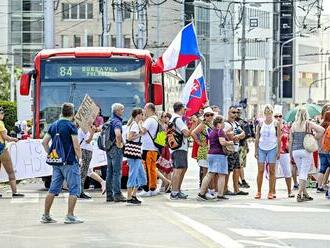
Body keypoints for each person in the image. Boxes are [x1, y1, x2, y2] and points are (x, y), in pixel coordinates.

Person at [41, 103, 83, 224]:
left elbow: (44, 142)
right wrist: (80, 159)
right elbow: (76, 145)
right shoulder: (71, 126)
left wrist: (51, 153)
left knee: (53, 189)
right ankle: (70, 216)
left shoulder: (54, 125)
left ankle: (46, 215)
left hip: (56, 162)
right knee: (74, 189)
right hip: (70, 161)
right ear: (72, 113)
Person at [289, 107, 324, 202]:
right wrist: (315, 138)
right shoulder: (308, 124)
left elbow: (290, 140)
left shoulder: (293, 125)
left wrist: (290, 154)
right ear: (306, 114)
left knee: (301, 173)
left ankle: (305, 194)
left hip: (295, 151)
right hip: (306, 150)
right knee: (304, 173)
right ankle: (299, 194)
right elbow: (322, 130)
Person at [197, 115, 233, 201]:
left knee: (209, 174)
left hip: (211, 154)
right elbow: (222, 142)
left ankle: (201, 193)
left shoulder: (212, 132)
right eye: (223, 122)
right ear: (219, 123)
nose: (224, 124)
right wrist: (230, 142)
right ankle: (220, 194)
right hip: (219, 155)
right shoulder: (220, 131)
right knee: (222, 175)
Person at [254, 105, 281, 200]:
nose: (268, 115)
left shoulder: (276, 123)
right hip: (262, 148)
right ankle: (258, 191)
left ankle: (270, 191)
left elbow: (279, 138)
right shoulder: (260, 123)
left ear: (272, 114)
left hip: (272, 148)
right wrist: (256, 150)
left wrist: (279, 151)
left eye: (270, 113)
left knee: (272, 171)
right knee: (260, 170)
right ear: (264, 114)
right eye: (266, 113)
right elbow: (257, 137)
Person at [0, 107, 24, 198]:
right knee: (10, 171)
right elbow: (5, 137)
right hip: (1, 148)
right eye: (1, 113)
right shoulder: (0, 123)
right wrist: (14, 139)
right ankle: (14, 192)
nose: (3, 114)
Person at [223, 106, 248, 196]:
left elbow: (243, 134)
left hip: (236, 149)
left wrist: (237, 136)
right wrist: (234, 136)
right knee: (228, 171)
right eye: (233, 112)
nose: (235, 114)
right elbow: (225, 135)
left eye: (236, 112)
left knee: (237, 169)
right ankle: (225, 188)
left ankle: (236, 189)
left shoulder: (236, 123)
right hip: (229, 150)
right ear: (228, 113)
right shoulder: (226, 124)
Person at [191, 107, 216, 196]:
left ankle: (209, 190)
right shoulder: (203, 124)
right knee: (206, 172)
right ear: (204, 116)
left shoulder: (212, 124)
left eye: (211, 115)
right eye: (207, 115)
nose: (210, 116)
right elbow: (193, 133)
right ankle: (204, 192)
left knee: (210, 172)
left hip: (211, 151)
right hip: (204, 151)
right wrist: (199, 142)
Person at [169, 102, 191, 200]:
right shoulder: (178, 119)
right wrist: (193, 126)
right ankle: (174, 192)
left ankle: (177, 190)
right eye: (184, 109)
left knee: (182, 169)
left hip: (177, 148)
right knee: (178, 170)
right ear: (181, 109)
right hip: (180, 148)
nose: (185, 111)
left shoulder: (173, 118)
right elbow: (186, 133)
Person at [125, 108, 147, 205]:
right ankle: (129, 197)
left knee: (140, 175)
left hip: (136, 152)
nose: (143, 116)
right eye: (142, 114)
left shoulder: (135, 124)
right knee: (134, 174)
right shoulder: (134, 124)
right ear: (138, 115)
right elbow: (129, 137)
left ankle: (133, 195)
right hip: (134, 152)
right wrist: (139, 135)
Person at [106, 103, 126, 202]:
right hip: (115, 149)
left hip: (108, 149)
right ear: (117, 111)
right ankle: (117, 195)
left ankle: (109, 195)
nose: (123, 111)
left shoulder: (110, 120)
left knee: (109, 172)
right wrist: (119, 145)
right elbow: (118, 134)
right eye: (122, 109)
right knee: (117, 172)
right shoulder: (117, 121)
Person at [139, 103, 160, 197]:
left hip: (147, 147)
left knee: (147, 169)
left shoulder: (150, 120)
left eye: (145, 109)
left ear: (149, 109)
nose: (144, 111)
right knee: (152, 169)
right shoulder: (156, 119)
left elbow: (142, 131)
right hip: (154, 148)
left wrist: (139, 123)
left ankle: (146, 189)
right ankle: (153, 188)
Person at [78, 124, 103, 199]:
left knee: (84, 172)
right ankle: (80, 192)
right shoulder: (83, 129)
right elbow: (88, 140)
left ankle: (80, 191)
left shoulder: (83, 129)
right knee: (83, 172)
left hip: (86, 151)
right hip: (85, 151)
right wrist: (92, 132)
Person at [274, 113, 295, 198]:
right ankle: (273, 191)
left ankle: (289, 191)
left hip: (285, 152)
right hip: (274, 152)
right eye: (276, 116)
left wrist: (291, 153)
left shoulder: (286, 127)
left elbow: (290, 140)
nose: (278, 118)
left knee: (287, 171)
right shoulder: (271, 127)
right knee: (273, 172)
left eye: (280, 116)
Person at [236, 107, 250, 189]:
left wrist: (247, 145)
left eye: (238, 112)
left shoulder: (243, 122)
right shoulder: (232, 123)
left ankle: (239, 181)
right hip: (237, 146)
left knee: (241, 164)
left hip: (242, 145)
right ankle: (241, 180)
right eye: (235, 112)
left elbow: (247, 135)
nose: (237, 114)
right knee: (239, 164)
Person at [316, 111, 330, 194]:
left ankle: (319, 186)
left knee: (322, 168)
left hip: (321, 149)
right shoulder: (329, 125)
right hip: (328, 149)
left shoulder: (321, 125)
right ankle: (325, 185)